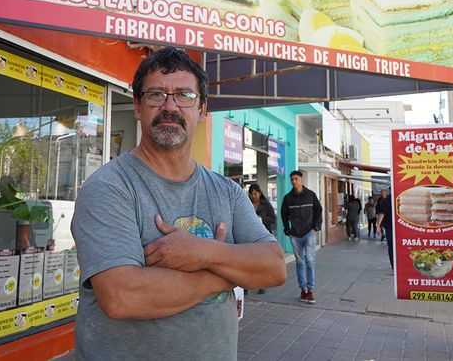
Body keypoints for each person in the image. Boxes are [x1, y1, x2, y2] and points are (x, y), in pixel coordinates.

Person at [71, 47, 286, 360]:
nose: (169, 106)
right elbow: (122, 296)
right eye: (156, 94)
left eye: (184, 95)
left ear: (201, 110)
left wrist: (202, 251)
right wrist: (225, 273)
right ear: (137, 106)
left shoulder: (226, 191)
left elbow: (275, 266)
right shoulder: (109, 187)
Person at [281, 170, 323, 304]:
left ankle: (310, 290)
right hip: (295, 235)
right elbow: (283, 213)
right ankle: (303, 289)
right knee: (300, 263)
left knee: (310, 261)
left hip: (309, 232)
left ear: (302, 180)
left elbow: (318, 210)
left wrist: (316, 226)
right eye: (292, 179)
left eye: (296, 179)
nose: (294, 181)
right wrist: (286, 228)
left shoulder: (310, 195)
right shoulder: (288, 198)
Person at [248, 183, 277, 294]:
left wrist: (261, 219)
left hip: (263, 235)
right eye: (251, 194)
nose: (253, 196)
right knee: (249, 262)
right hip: (250, 236)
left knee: (261, 262)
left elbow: (272, 219)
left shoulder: (266, 204)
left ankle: (262, 284)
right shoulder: (247, 204)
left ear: (259, 193)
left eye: (255, 193)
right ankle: (246, 285)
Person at [375, 188, 394, 270]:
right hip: (393, 227)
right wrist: (378, 225)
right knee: (393, 246)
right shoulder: (388, 200)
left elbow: (382, 213)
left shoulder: (387, 200)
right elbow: (381, 213)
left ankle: (394, 266)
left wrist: (378, 225)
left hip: (390, 227)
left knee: (392, 246)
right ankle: (395, 265)